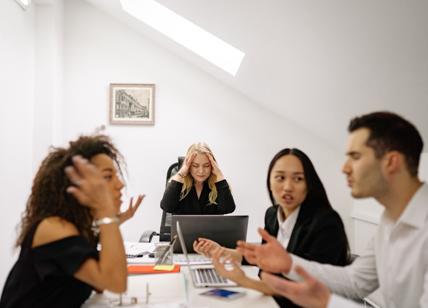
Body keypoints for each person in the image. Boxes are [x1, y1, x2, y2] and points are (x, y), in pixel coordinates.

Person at [237, 111, 427, 308]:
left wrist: (326, 302)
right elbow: (355, 282)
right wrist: (289, 264)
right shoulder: (389, 221)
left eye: (355, 156)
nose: (345, 168)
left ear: (391, 162)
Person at [0, 135, 144, 308]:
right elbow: (116, 282)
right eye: (107, 177)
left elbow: (99, 283)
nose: (120, 184)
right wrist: (106, 215)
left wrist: (111, 222)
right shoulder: (52, 227)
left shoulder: (78, 230)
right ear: (76, 187)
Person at [194, 148, 350, 307]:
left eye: (298, 179)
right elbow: (264, 260)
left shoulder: (326, 223)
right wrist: (222, 251)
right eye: (280, 178)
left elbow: (307, 293)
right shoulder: (273, 214)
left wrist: (244, 281)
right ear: (269, 182)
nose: (288, 186)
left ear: (309, 184)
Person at [160, 142, 235, 214]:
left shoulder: (219, 184)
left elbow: (228, 209)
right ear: (188, 166)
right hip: (185, 227)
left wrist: (219, 175)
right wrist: (180, 174)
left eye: (206, 165)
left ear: (212, 165)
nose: (201, 171)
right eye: (195, 166)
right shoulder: (177, 183)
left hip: (212, 227)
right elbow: (167, 207)